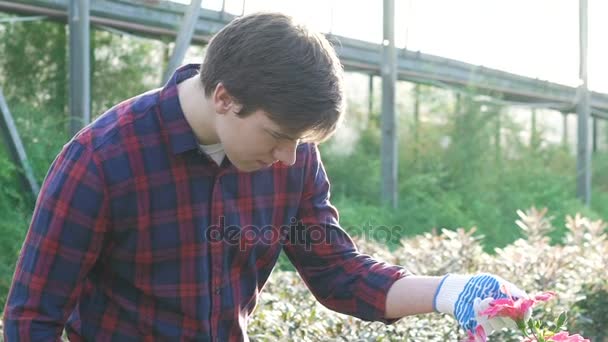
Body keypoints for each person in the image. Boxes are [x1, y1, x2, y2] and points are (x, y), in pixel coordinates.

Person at [3, 12, 528, 341]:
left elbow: (336, 272)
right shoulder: (102, 160)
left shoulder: (290, 157)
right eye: (278, 136)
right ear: (225, 98)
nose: (287, 158)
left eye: (300, 143)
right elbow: (32, 320)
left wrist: (449, 291)